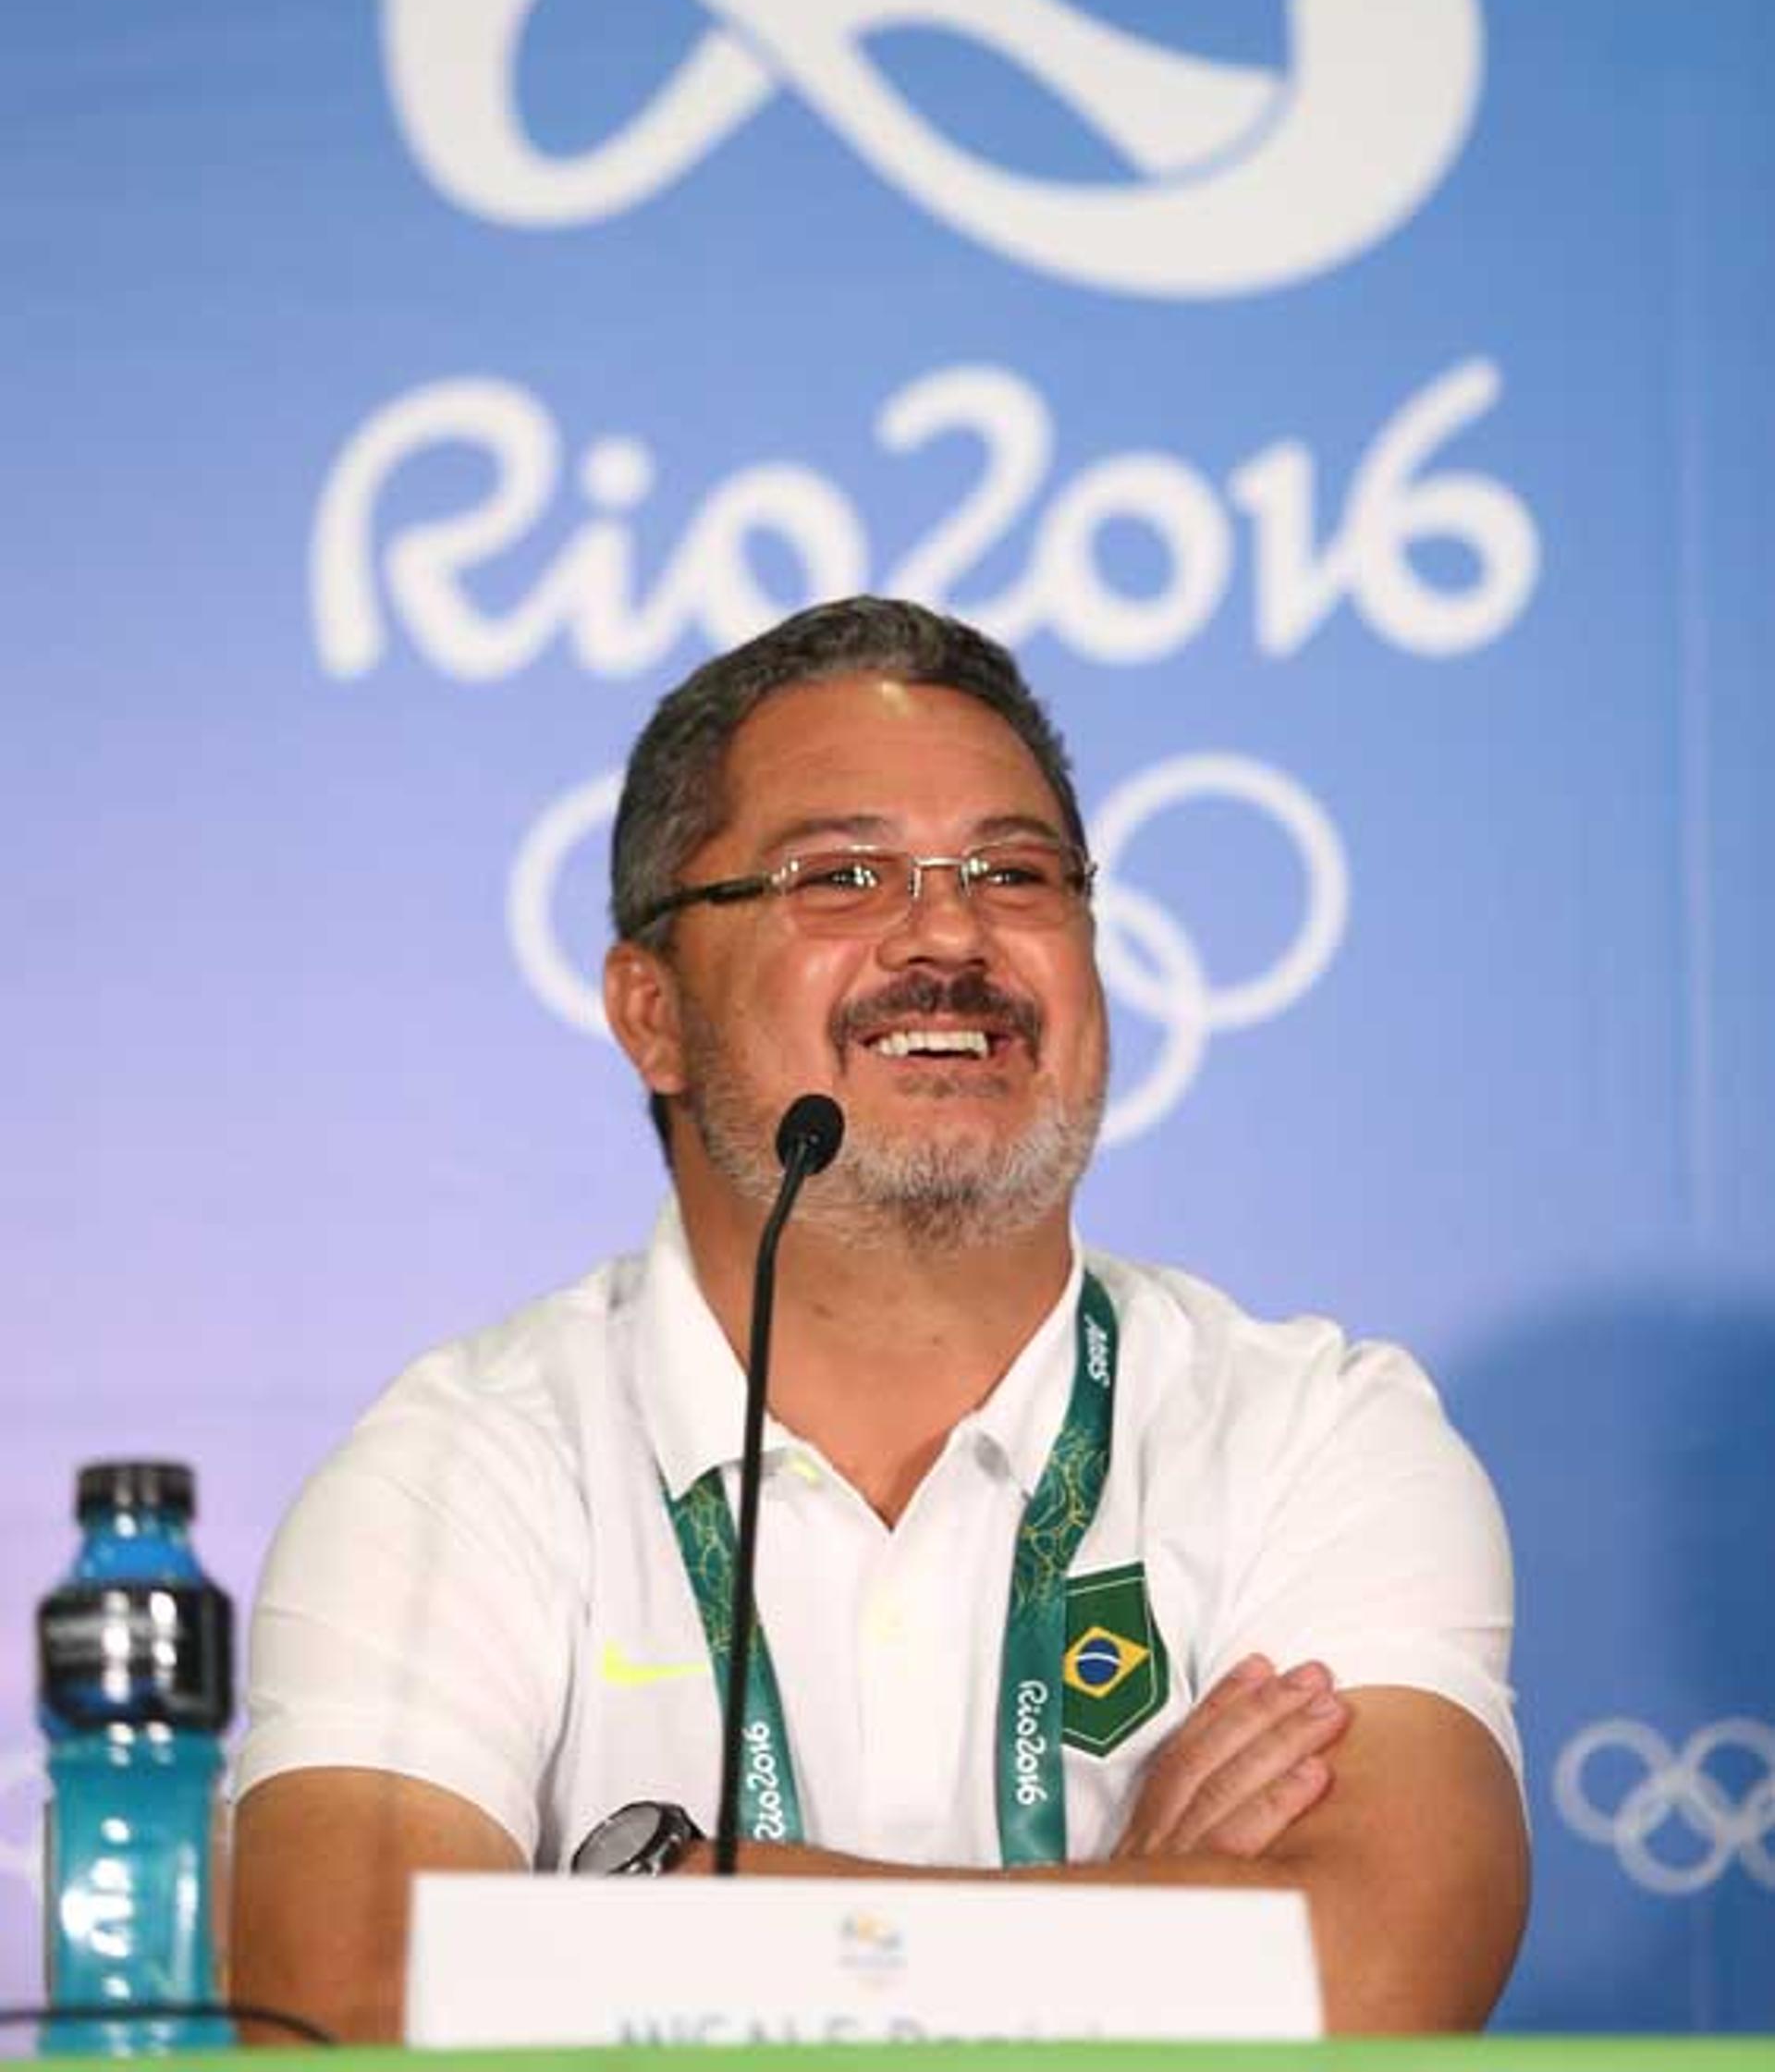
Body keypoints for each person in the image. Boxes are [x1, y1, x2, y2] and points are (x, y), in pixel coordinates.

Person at [232, 598, 1527, 2038]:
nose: (954, 930)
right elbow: (340, 2006)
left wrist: (692, 1908)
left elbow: (1386, 1980)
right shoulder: (460, 1468)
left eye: (1019, 871)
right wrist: (1155, 1910)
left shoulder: (1315, 1431)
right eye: (842, 872)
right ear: (651, 1010)